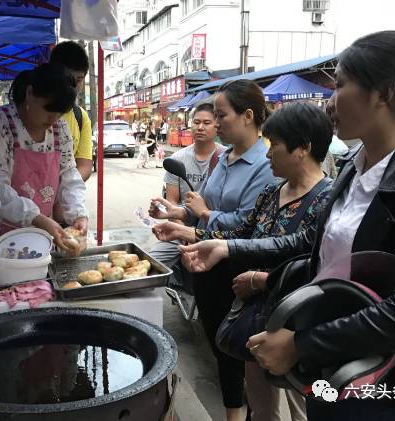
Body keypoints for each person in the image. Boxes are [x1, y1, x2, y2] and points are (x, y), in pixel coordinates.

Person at [179, 31, 395, 421]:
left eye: (340, 85)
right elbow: (324, 256)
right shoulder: (354, 173)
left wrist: (302, 345)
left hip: (379, 381)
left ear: (384, 93)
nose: (331, 102)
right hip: (329, 370)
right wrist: (248, 265)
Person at [154, 102, 335, 421]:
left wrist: (233, 254)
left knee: (302, 408)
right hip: (256, 318)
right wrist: (186, 230)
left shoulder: (328, 199)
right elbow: (241, 232)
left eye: (274, 145)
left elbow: (300, 247)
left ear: (302, 149)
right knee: (263, 409)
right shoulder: (271, 194)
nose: (268, 155)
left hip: (298, 330)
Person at [150, 80, 275, 421]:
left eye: (221, 115)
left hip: (236, 268)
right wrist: (174, 214)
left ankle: (238, 412)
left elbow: (248, 223)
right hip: (204, 265)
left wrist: (203, 216)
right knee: (219, 344)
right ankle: (234, 408)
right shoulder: (224, 157)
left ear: (248, 116)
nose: (216, 123)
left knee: (237, 349)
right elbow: (199, 203)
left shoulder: (267, 164)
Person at [0, 63, 89, 265]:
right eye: (48, 110)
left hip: (40, 238)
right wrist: (36, 218)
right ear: (30, 93)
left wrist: (78, 214)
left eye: (59, 113)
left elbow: (69, 174)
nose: (53, 119)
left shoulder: (60, 128)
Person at [149, 103, 226, 287]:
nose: (200, 127)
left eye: (206, 122)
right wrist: (180, 229)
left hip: (213, 229)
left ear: (217, 125)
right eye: (196, 122)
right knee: (150, 266)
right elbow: (172, 200)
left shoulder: (225, 157)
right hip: (180, 224)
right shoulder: (178, 159)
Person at [49, 41, 93, 182]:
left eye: (79, 80)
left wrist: (64, 188)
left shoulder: (80, 117)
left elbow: (84, 165)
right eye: (68, 79)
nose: (73, 87)